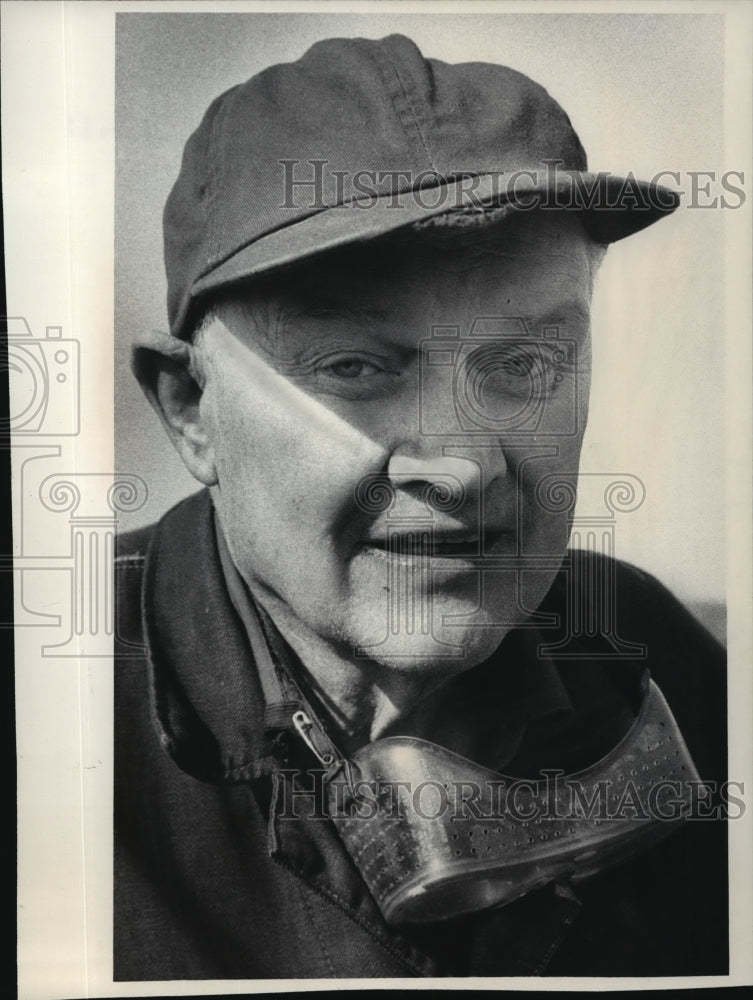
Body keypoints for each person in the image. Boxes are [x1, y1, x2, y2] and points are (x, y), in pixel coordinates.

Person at [114, 33, 728, 979]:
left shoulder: (652, 654)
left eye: (522, 365)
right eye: (355, 367)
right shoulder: (52, 718)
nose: (462, 467)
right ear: (191, 409)